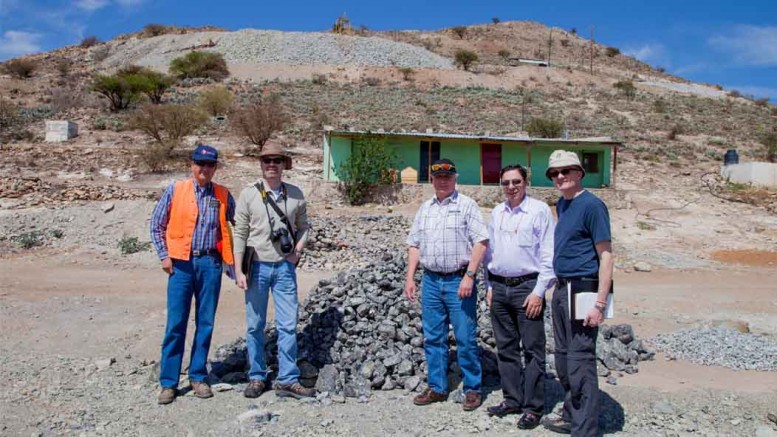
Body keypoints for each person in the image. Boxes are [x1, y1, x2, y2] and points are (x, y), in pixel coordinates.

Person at [150, 144, 236, 405]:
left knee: (205, 322)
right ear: (192, 164)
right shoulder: (176, 190)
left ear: (215, 168)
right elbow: (156, 224)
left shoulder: (223, 195)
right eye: (200, 164)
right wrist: (164, 256)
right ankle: (169, 382)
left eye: (209, 165)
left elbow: (238, 224)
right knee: (176, 323)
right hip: (181, 264)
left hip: (210, 264)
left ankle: (198, 376)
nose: (204, 169)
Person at [404, 158, 489, 411]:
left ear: (455, 178)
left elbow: (481, 242)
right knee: (433, 337)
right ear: (432, 180)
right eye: (438, 177)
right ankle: (438, 387)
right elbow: (414, 244)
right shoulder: (425, 208)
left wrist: (470, 276)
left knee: (465, 337)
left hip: (458, 281)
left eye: (448, 176)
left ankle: (473, 388)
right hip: (430, 280)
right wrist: (410, 277)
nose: (443, 180)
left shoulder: (467, 205)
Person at [232, 142, 313, 400]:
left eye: (277, 160)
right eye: (267, 160)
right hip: (256, 266)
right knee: (255, 325)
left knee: (288, 325)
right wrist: (238, 269)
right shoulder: (248, 194)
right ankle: (257, 376)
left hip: (284, 269)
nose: (271, 165)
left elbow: (304, 227)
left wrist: (297, 252)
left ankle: (288, 378)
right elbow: (240, 233)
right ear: (261, 164)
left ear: (283, 165)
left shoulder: (296, 194)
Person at [542, 150, 614, 436]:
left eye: (566, 171)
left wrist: (599, 303)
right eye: (554, 173)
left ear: (579, 172)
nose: (560, 177)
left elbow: (606, 256)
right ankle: (572, 414)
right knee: (562, 357)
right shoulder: (562, 204)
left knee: (580, 360)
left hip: (584, 287)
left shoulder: (593, 206)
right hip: (561, 288)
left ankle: (585, 429)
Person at [483, 164, 555, 429]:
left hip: (527, 288)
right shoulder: (497, 212)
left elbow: (549, 254)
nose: (510, 187)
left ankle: (533, 407)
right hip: (499, 288)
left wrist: (539, 291)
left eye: (515, 182)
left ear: (526, 182)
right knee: (506, 348)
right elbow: (489, 254)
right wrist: (489, 286)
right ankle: (511, 398)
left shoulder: (539, 211)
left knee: (533, 350)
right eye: (505, 183)